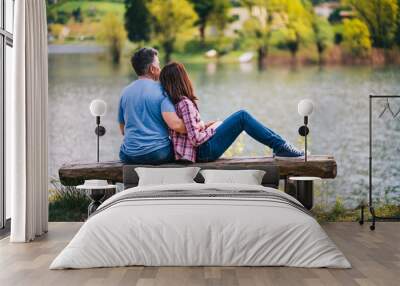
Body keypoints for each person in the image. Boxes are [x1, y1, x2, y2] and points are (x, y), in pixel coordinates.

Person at [159, 61, 304, 163]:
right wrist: (214, 129)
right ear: (182, 79)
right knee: (242, 117)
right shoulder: (185, 103)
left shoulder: (175, 103)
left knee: (240, 117)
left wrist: (207, 126)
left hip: (200, 152)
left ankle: (281, 146)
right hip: (203, 152)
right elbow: (196, 139)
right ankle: (280, 146)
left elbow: (191, 132)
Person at [118, 48, 186, 164]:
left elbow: (123, 130)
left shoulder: (125, 92)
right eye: (158, 65)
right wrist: (198, 126)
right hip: (157, 153)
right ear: (152, 69)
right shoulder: (162, 90)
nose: (160, 69)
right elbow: (176, 125)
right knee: (184, 149)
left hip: (128, 155)